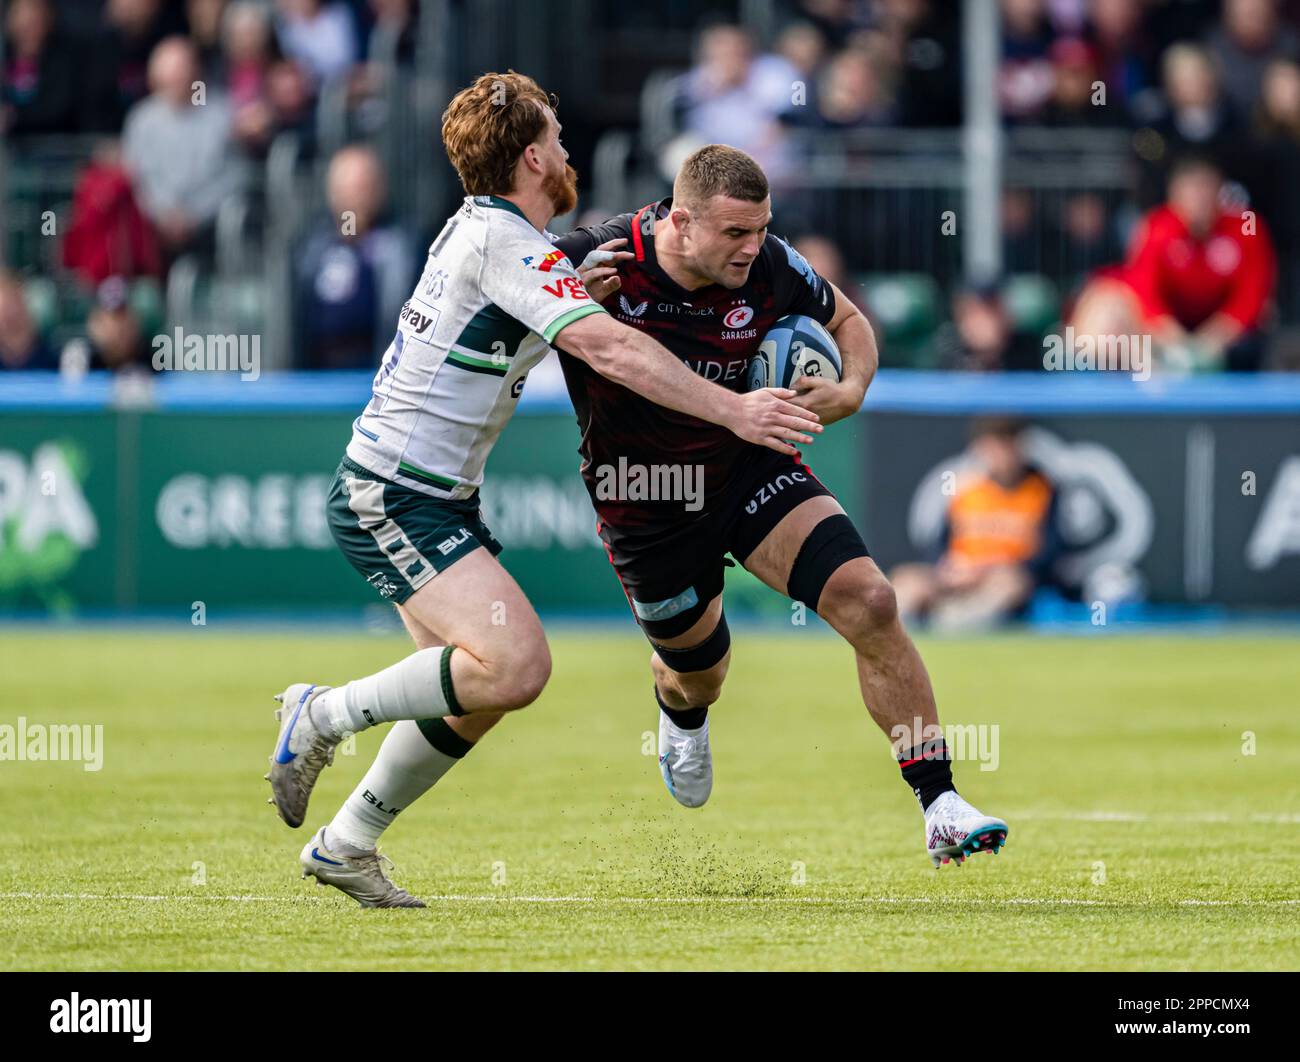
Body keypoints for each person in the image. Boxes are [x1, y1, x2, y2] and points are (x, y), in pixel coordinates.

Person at [266, 73, 822, 907]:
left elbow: (531, 306)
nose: (568, 156)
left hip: (435, 496)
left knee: (468, 690)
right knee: (517, 665)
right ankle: (322, 712)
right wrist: (734, 411)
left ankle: (346, 845)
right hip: (393, 491)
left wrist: (567, 286)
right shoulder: (506, 243)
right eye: (558, 141)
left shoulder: (502, 238)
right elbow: (616, 353)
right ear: (531, 156)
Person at [557, 144, 1009, 868]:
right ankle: (681, 708)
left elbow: (851, 322)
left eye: (761, 228)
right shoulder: (595, 257)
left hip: (747, 467)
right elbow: (494, 313)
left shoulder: (769, 265)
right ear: (680, 221)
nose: (752, 247)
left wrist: (852, 389)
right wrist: (559, 294)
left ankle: (941, 804)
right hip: (646, 497)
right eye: (735, 233)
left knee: (870, 600)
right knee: (701, 669)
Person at [1071, 155, 1276, 372]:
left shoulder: (1248, 225)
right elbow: (1145, 293)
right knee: (1103, 314)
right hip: (1167, 328)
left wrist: (1211, 341)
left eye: (1206, 189)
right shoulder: (1157, 226)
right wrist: (1176, 343)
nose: (1200, 199)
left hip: (1220, 331)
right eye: (1192, 191)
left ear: (1219, 192)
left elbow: (1251, 297)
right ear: (1174, 195)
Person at [892, 418, 1060, 631]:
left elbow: (1050, 553)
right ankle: (901, 627)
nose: (1000, 457)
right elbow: (941, 544)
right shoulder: (967, 487)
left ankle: (957, 624)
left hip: (1002, 577)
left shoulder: (1041, 489)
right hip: (960, 575)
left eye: (1005, 447)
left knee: (1010, 584)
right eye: (992, 448)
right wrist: (950, 568)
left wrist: (988, 568)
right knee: (907, 578)